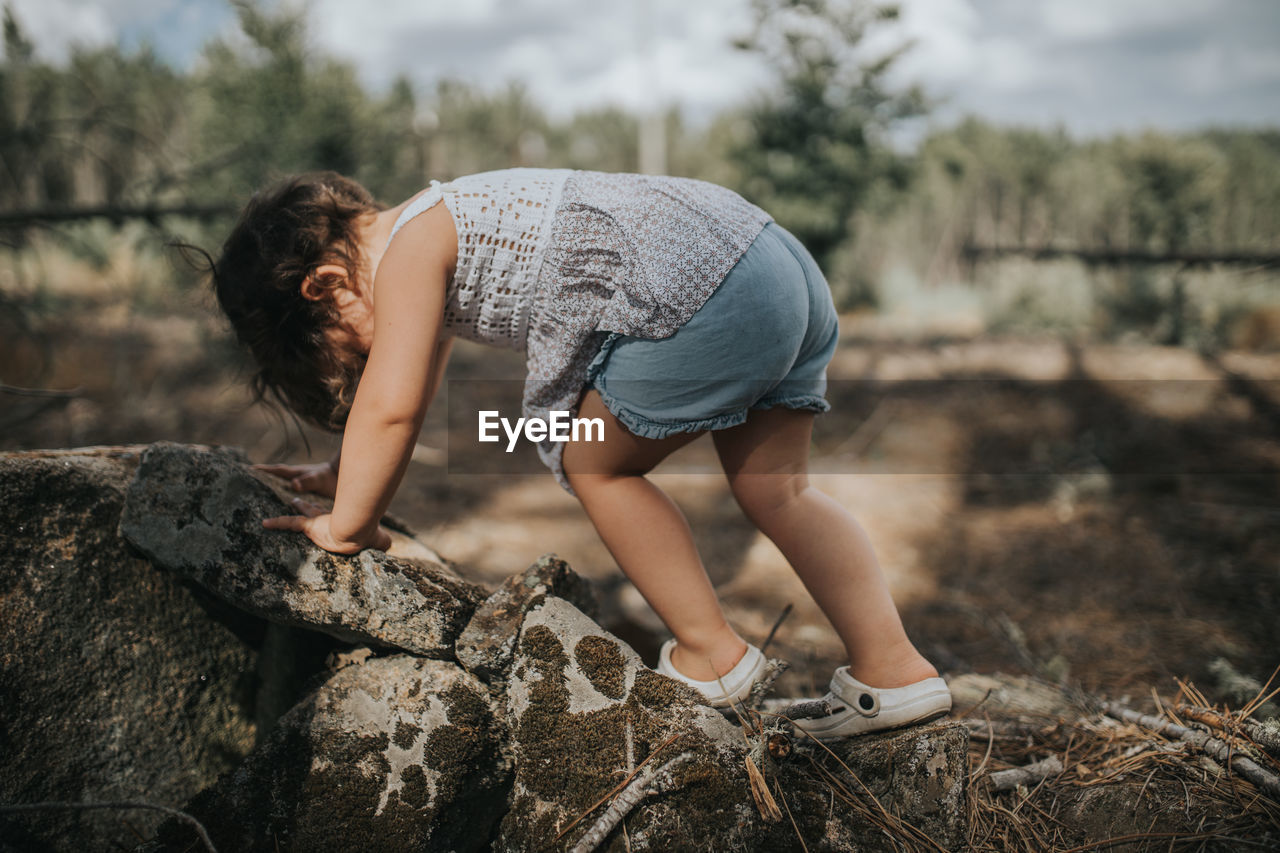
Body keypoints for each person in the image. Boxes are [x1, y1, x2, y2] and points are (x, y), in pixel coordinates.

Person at [212, 167, 950, 739]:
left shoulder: (408, 251)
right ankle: (896, 669)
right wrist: (345, 477)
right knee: (780, 491)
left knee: (594, 460)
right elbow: (403, 395)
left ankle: (712, 656)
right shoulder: (433, 222)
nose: (361, 368)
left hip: (706, 284)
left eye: (341, 353)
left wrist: (345, 528)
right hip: (775, 265)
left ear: (327, 287)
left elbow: (393, 405)